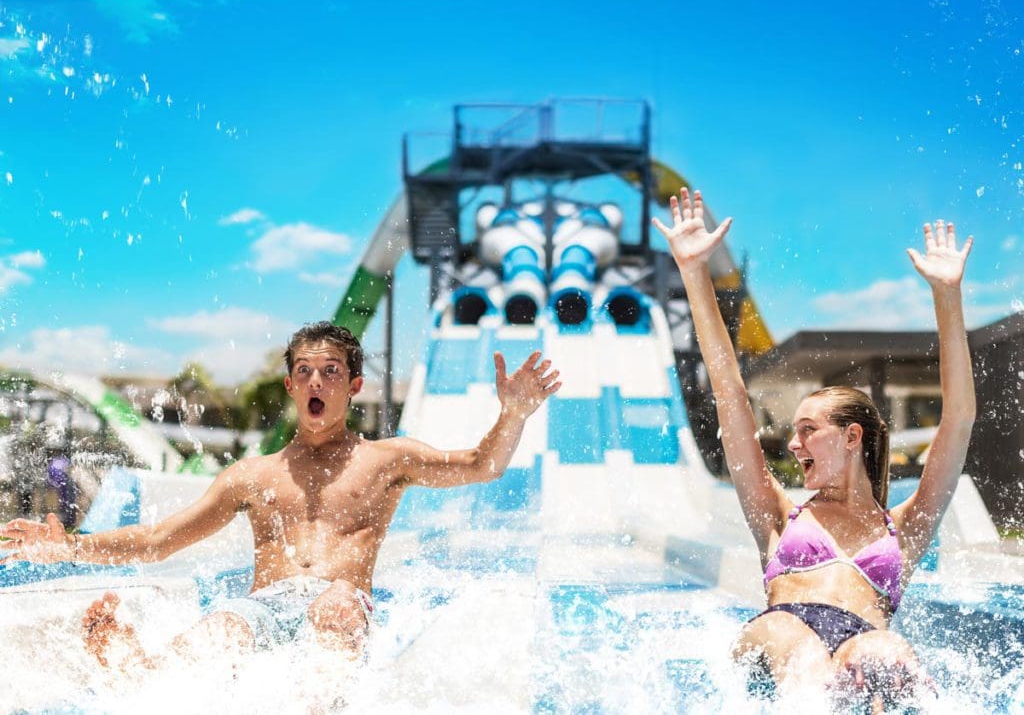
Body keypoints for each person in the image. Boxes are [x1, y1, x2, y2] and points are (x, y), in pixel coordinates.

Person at [1, 321, 561, 673]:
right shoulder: (252, 476)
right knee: (222, 629)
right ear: (291, 386)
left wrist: (511, 415)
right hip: (263, 606)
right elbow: (157, 540)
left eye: (331, 371)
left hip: (343, 600)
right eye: (304, 372)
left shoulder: (387, 460)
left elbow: (481, 466)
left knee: (335, 608)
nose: (317, 382)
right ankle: (137, 673)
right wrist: (70, 547)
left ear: (354, 385)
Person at [652, 189, 975, 706]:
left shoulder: (906, 524)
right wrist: (695, 273)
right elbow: (729, 390)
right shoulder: (778, 512)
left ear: (852, 437)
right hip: (779, 636)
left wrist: (947, 296)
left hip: (861, 637)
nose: (793, 442)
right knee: (802, 651)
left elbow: (958, 418)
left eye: (808, 429)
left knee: (889, 655)